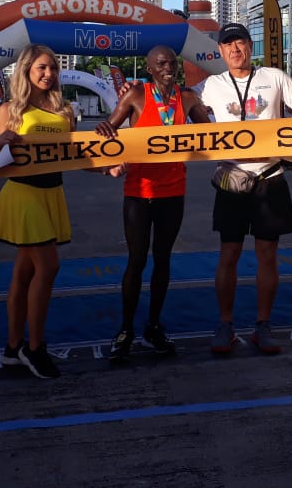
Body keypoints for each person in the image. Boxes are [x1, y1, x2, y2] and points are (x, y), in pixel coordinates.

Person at [196, 23, 292, 355]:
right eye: (228, 45)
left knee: (267, 256)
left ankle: (263, 324)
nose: (235, 49)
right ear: (220, 51)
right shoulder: (211, 85)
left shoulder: (275, 77)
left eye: (240, 43)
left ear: (250, 46)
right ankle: (226, 324)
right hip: (232, 178)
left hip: (270, 177)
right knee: (228, 255)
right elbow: (178, 107)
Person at [94, 45, 212, 361]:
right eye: (161, 63)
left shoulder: (186, 98)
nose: (168, 67)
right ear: (149, 68)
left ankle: (154, 326)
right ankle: (126, 329)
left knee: (162, 259)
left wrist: (205, 109)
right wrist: (106, 134)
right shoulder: (136, 95)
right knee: (136, 260)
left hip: (173, 190)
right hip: (139, 191)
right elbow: (109, 128)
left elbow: (213, 133)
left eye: (172, 62)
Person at [0, 44, 75, 379]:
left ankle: (13, 348)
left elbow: (74, 156)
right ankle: (34, 348)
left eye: (53, 68)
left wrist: (106, 168)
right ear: (26, 70)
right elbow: (0, 161)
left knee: (24, 273)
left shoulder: (64, 111)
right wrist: (2, 143)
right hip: (23, 193)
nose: (48, 74)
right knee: (49, 267)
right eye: (41, 67)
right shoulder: (9, 110)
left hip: (52, 192)